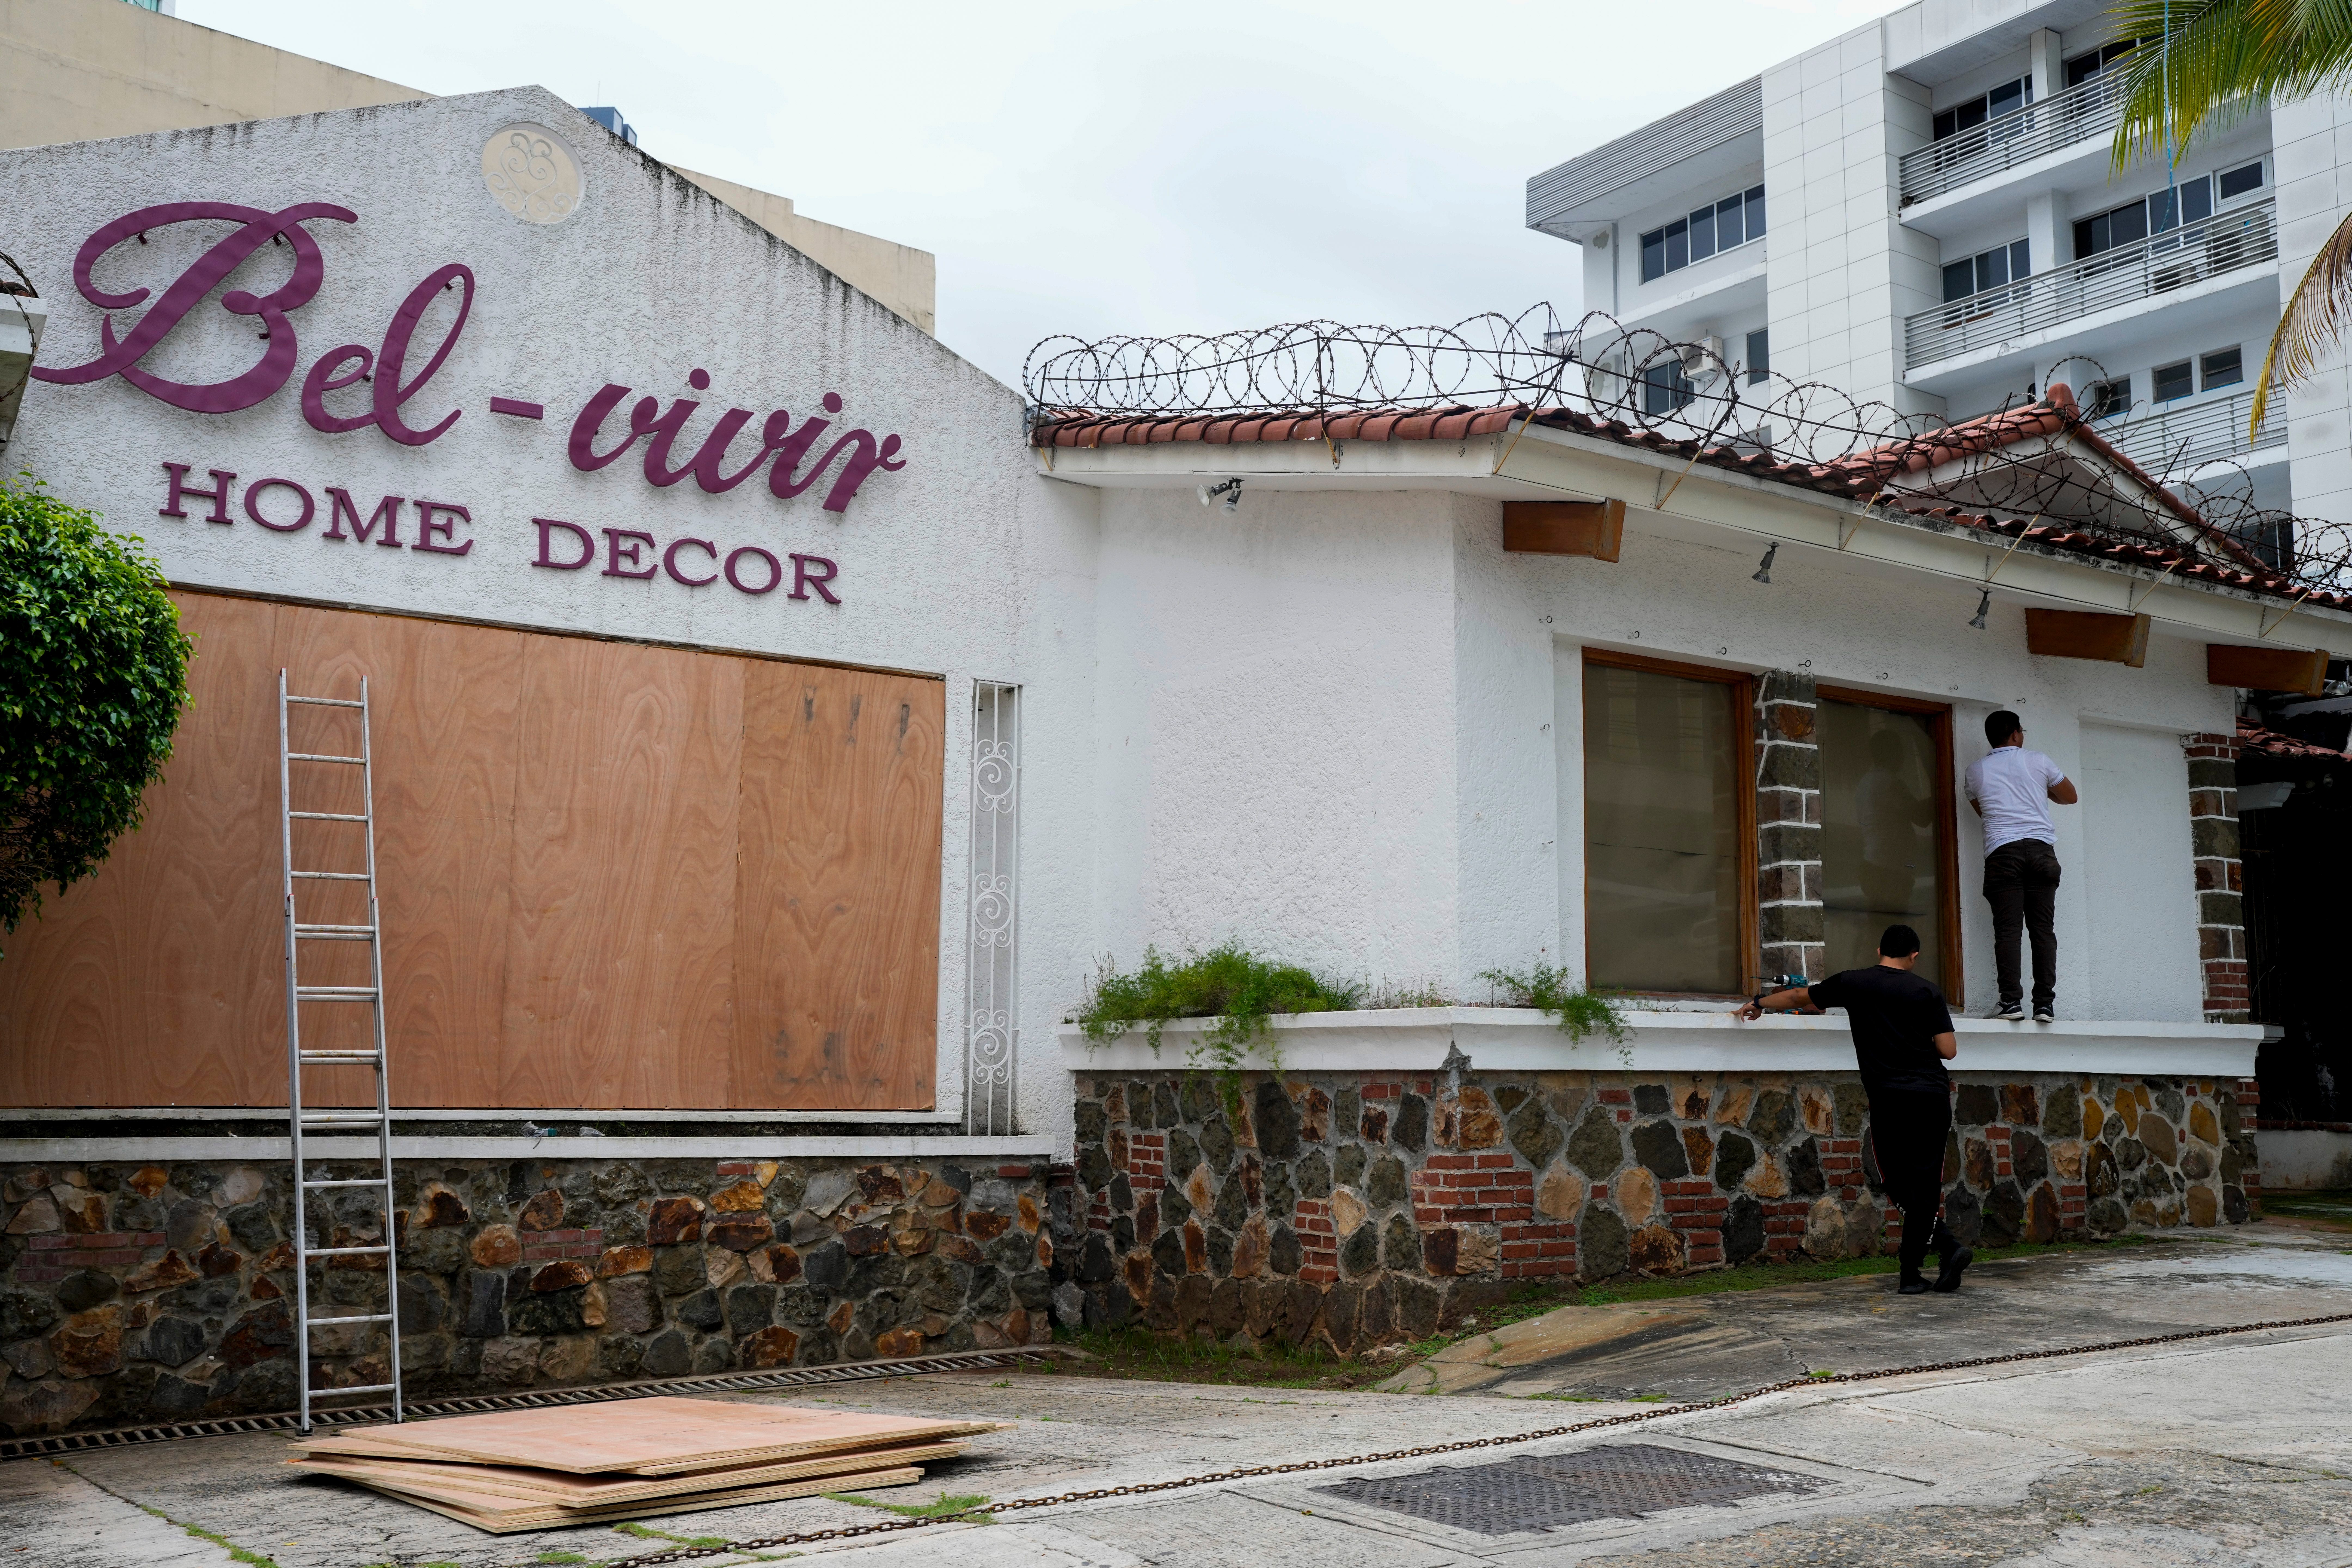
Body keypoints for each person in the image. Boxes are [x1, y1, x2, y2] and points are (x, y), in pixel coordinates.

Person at [1739, 923, 1970, 1295]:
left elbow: (1800, 996)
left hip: (1890, 1098)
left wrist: (1759, 1003)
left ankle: (1931, 1259)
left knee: (1895, 1180)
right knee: (1926, 1183)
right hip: (1932, 1096)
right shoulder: (1928, 991)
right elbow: (1949, 1050)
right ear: (1914, 956)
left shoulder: (1854, 983)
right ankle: (1928, 1261)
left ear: (1880, 950)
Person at [1963, 710, 2077, 1023]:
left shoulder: (1975, 771)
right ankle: (2044, 1006)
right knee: (2043, 931)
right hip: (2041, 852)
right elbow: (2070, 797)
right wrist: (2039, 791)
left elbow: (1985, 811)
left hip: (2003, 854)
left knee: (2008, 932)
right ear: (2015, 734)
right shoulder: (2039, 761)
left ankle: (2011, 1003)